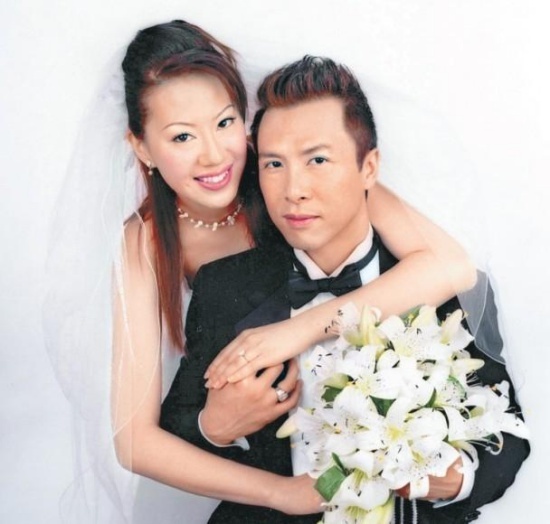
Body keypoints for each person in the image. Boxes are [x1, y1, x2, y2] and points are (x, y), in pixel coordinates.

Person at [45, 20, 477, 523]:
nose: (214, 155)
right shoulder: (145, 242)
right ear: (142, 148)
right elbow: (134, 441)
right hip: (248, 456)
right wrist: (275, 487)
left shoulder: (287, 173)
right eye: (182, 136)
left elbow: (452, 265)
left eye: (225, 123)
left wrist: (298, 330)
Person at [160, 56, 529, 523]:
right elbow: (174, 430)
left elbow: (508, 437)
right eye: (274, 164)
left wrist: (455, 478)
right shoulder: (224, 285)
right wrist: (214, 426)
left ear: (368, 167)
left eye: (317, 160)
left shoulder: (447, 290)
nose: (294, 189)